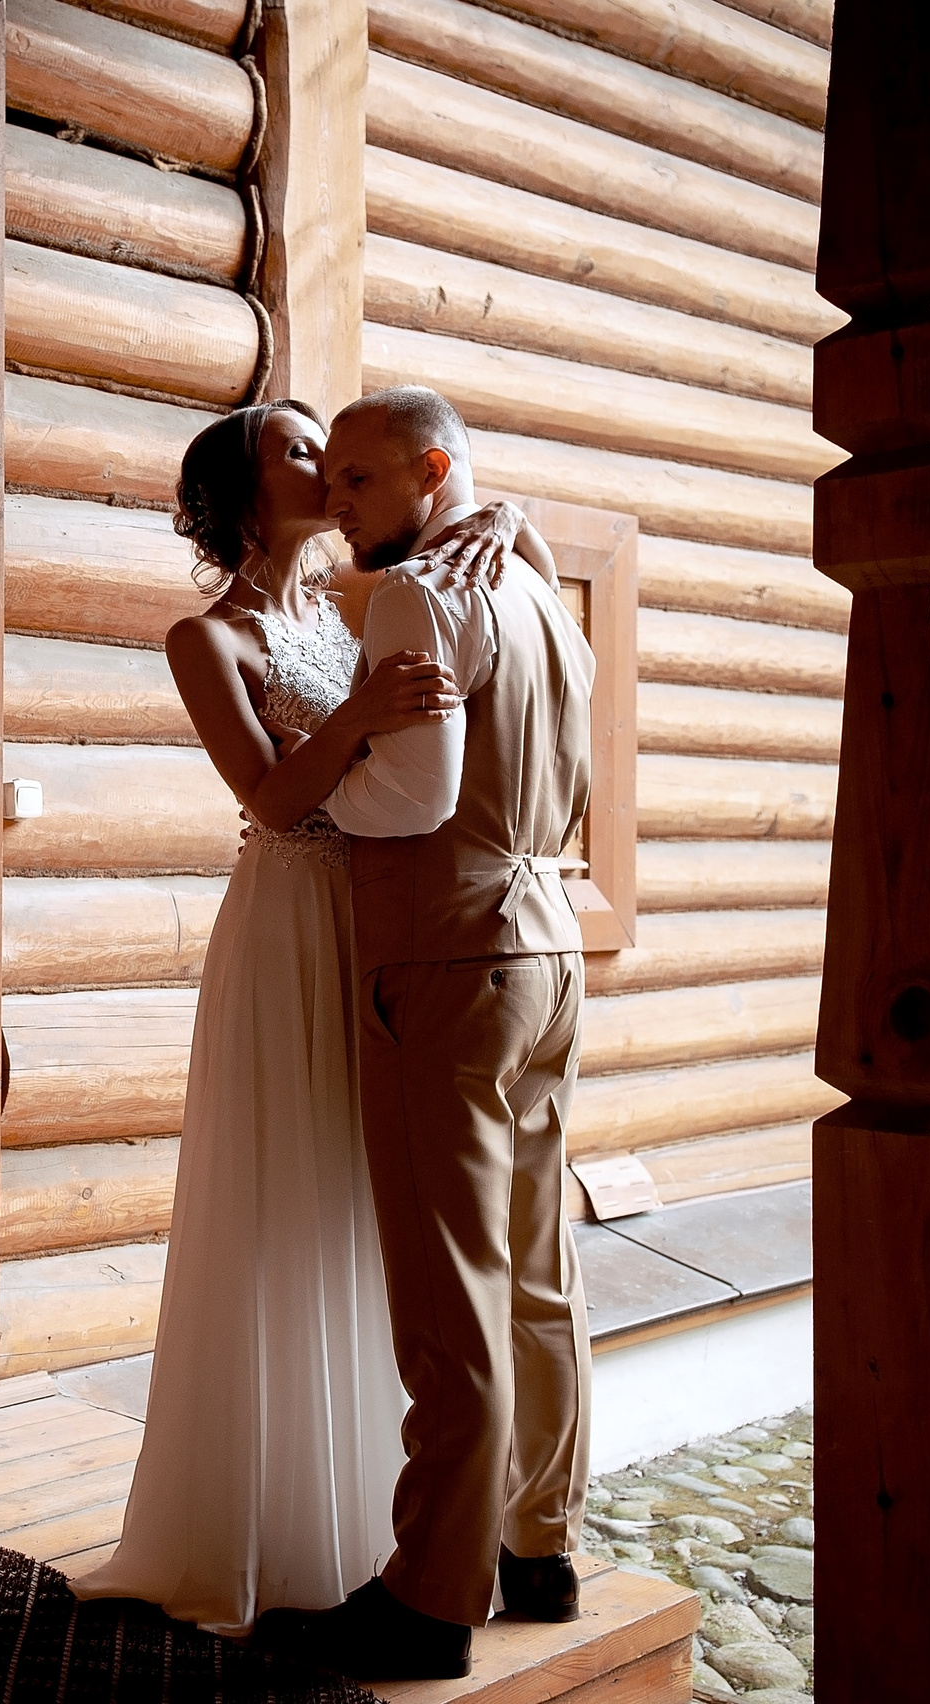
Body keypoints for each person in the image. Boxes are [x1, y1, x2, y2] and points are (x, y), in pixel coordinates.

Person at [67, 397, 523, 1636]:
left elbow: (461, 540)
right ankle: (260, 1519)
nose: (329, 464)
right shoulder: (201, 638)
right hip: (285, 922)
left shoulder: (343, 606)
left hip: (377, 920)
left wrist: (507, 513)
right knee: (284, 1196)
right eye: (300, 451)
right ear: (241, 492)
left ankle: (381, 1525)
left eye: (333, 446)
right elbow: (271, 799)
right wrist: (363, 718)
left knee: (367, 1201)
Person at [253, 386, 596, 1682]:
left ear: (431, 470)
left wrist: (315, 751)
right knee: (536, 1264)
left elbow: (409, 803)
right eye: (325, 478)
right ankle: (539, 1548)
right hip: (547, 950)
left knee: (451, 1289)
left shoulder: (417, 599)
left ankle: (430, 1596)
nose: (336, 502)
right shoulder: (540, 592)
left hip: (450, 952)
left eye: (358, 480)